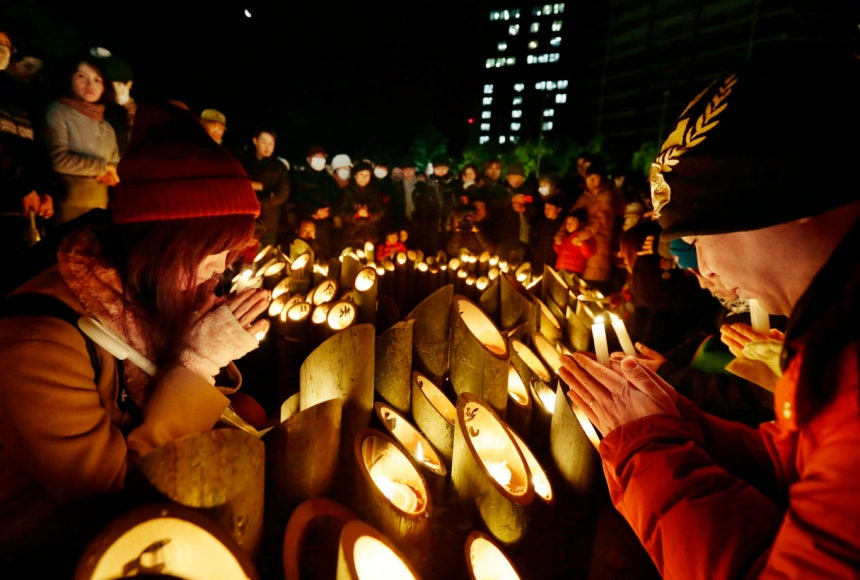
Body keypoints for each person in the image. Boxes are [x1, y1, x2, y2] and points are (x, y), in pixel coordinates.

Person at [558, 46, 860, 578]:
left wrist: (649, 450)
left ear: (789, 198)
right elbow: (806, 466)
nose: (700, 267)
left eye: (696, 236)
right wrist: (680, 424)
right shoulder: (835, 343)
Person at [0, 101, 271, 571]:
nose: (222, 269)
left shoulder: (147, 288)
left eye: (232, 251)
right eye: (213, 250)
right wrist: (195, 363)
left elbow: (206, 401)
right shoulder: (39, 341)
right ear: (161, 244)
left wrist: (203, 348)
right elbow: (113, 496)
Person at [0, 28, 55, 295]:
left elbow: (33, 149)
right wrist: (22, 187)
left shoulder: (16, 98)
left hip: (18, 214)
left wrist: (45, 190)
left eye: (5, 47)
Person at [43, 51, 120, 224]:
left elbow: (115, 165)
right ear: (70, 79)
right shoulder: (59, 112)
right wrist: (102, 168)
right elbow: (57, 160)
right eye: (81, 76)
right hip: (68, 208)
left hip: (100, 209)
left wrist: (113, 174)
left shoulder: (107, 127)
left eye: (97, 79)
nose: (90, 84)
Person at [238, 127, 291, 247]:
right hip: (245, 216)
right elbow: (238, 185)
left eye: (271, 143)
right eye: (264, 142)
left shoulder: (279, 167)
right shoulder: (244, 161)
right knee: (240, 250)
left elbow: (282, 193)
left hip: (269, 218)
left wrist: (260, 195)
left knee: (266, 253)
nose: (268, 147)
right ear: (255, 141)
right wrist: (264, 188)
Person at [291, 144, 339, 259]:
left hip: (325, 224)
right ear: (308, 159)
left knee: (323, 254)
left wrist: (329, 212)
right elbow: (296, 199)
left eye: (322, 159)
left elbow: (337, 201)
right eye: (316, 159)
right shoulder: (299, 178)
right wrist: (314, 211)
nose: (319, 161)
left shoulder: (329, 180)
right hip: (305, 222)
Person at [552, 206, 595, 277]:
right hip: (561, 268)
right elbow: (561, 252)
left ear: (581, 223)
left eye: (572, 221)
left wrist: (581, 244)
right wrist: (557, 245)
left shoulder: (584, 237)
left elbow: (589, 253)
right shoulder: (566, 237)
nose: (568, 225)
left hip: (573, 271)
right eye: (567, 222)